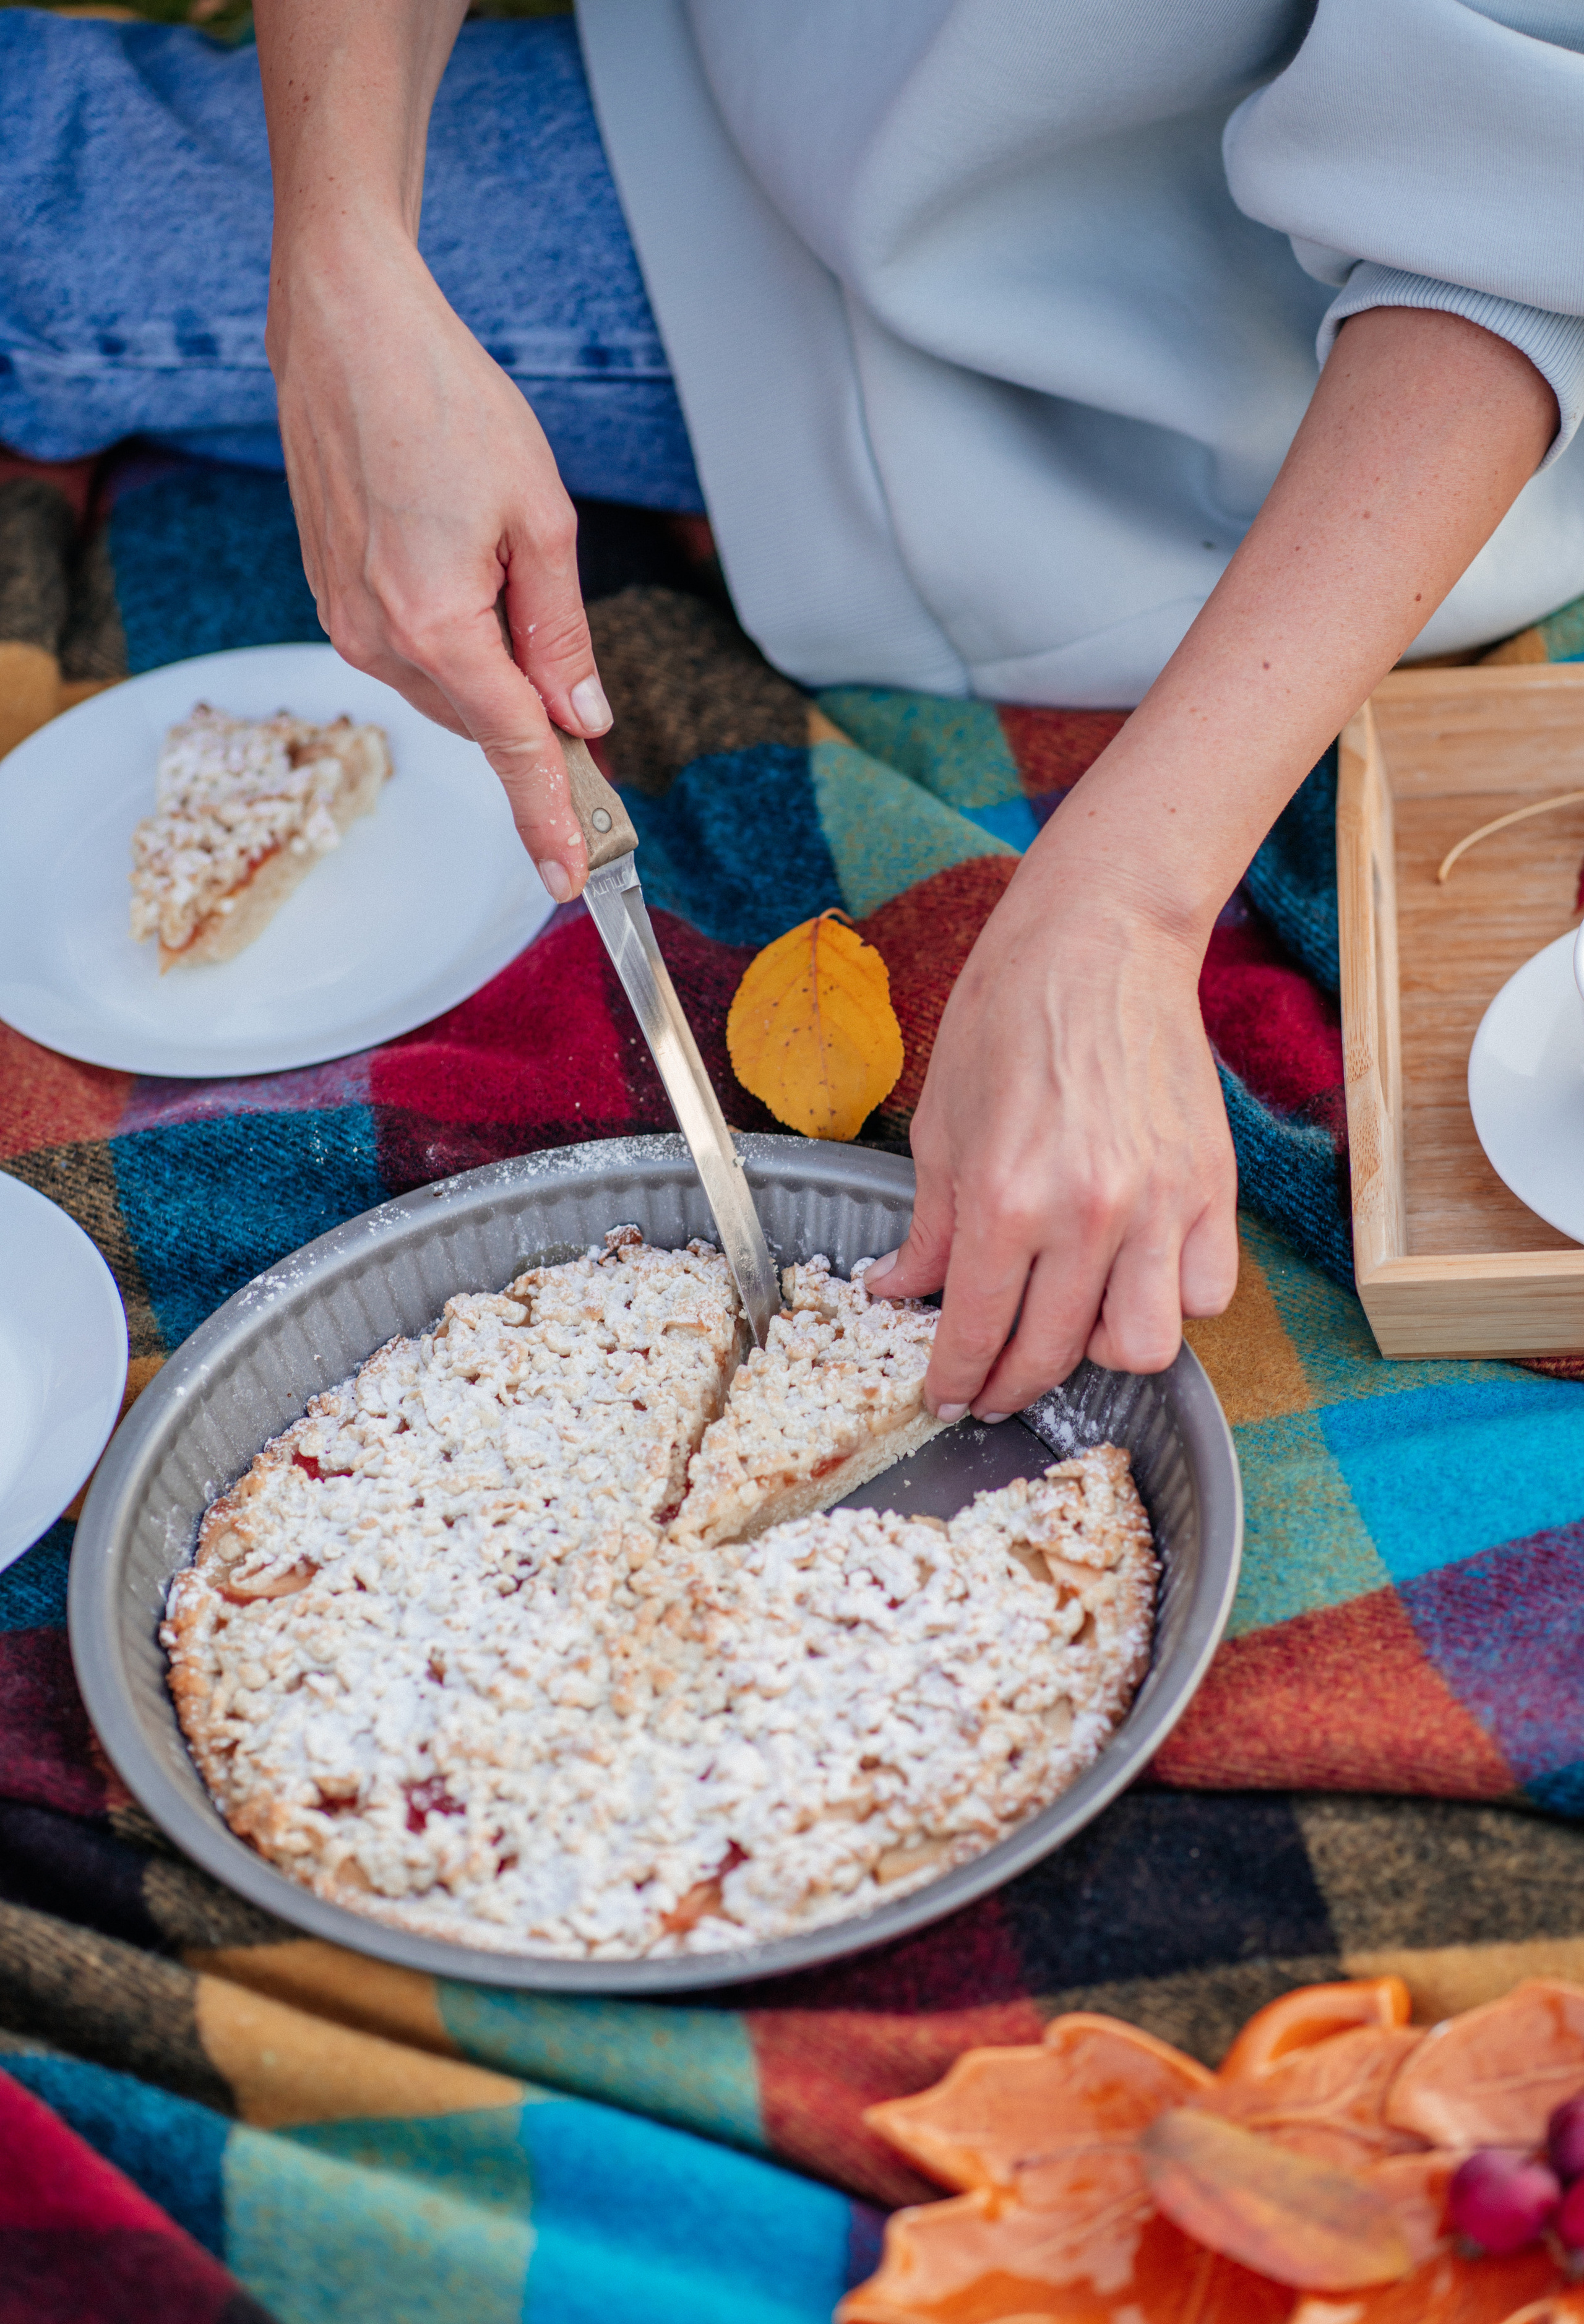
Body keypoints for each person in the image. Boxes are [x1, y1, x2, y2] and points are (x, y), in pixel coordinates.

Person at [17, 2, 1579, 1418]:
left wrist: (1124, 904)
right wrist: (346, 267)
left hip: (1207, 367)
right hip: (713, 115)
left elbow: (1513, 194)